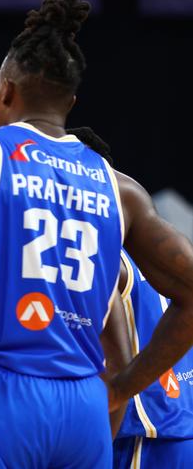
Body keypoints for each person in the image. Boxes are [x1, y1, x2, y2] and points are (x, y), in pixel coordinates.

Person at [0, 0, 193, 469]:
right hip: (84, 402)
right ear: (71, 100)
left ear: (5, 91)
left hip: (3, 392)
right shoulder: (120, 188)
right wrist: (122, 385)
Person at [68, 127, 193, 468]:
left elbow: (114, 365)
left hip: (143, 436)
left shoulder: (96, 255)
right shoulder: (157, 250)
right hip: (180, 428)